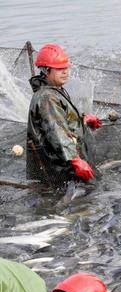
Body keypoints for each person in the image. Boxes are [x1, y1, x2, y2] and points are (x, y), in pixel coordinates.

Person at [27, 43, 101, 187]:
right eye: (59, 69)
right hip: (58, 167)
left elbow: (64, 119)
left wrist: (83, 119)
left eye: (66, 68)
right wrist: (75, 159)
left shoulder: (55, 90)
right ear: (46, 71)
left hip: (63, 160)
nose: (65, 72)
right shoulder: (47, 97)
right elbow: (56, 131)